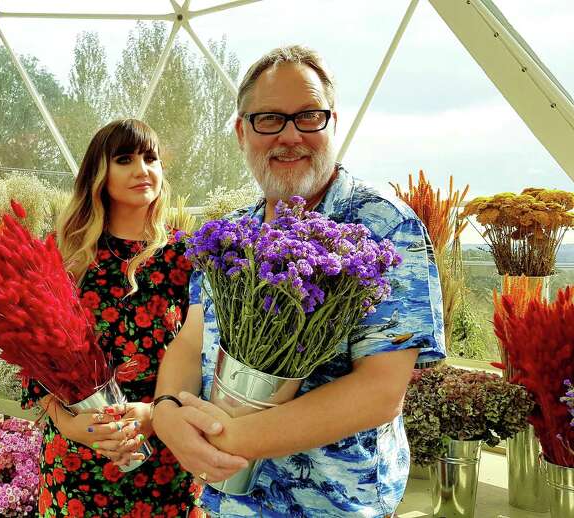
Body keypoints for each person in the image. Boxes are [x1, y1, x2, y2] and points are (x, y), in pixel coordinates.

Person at [152, 45, 446, 517]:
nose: (290, 136)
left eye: (309, 116)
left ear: (333, 124)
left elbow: (380, 392)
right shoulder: (231, 235)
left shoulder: (384, 227)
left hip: (332, 505)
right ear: (241, 131)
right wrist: (166, 413)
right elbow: (192, 339)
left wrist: (226, 440)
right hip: (227, 502)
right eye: (269, 118)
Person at [22, 118, 197, 517]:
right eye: (125, 159)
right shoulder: (65, 256)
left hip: (164, 460)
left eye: (150, 157)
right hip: (78, 463)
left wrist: (157, 415)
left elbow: (207, 355)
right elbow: (31, 351)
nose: (142, 169)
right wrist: (68, 425)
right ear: (98, 174)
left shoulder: (186, 257)